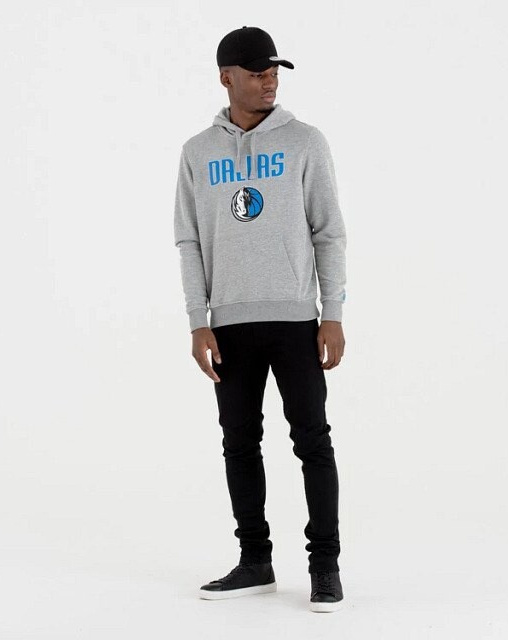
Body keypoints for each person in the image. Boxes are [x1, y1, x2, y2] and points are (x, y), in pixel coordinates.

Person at [173, 25, 348, 613]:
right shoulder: (197, 152)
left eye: (274, 72)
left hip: (296, 320)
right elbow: (189, 240)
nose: (269, 81)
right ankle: (255, 562)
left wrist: (332, 314)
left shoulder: (305, 142)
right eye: (256, 73)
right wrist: (198, 319)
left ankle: (325, 567)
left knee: (313, 441)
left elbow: (329, 232)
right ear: (227, 78)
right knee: (239, 444)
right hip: (228, 325)